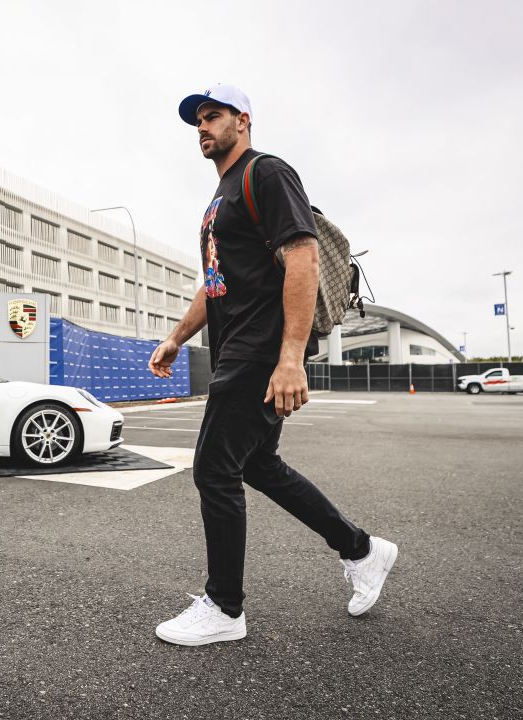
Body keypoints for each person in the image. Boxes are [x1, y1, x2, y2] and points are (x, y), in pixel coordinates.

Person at [148, 84, 398, 646]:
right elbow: (214, 285)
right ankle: (362, 550)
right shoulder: (218, 201)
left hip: (259, 349)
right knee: (258, 466)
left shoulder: (267, 174)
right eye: (197, 121)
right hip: (235, 343)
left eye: (213, 117)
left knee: (213, 470)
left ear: (243, 120)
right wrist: (175, 337)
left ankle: (224, 608)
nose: (203, 128)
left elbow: (302, 257)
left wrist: (290, 358)